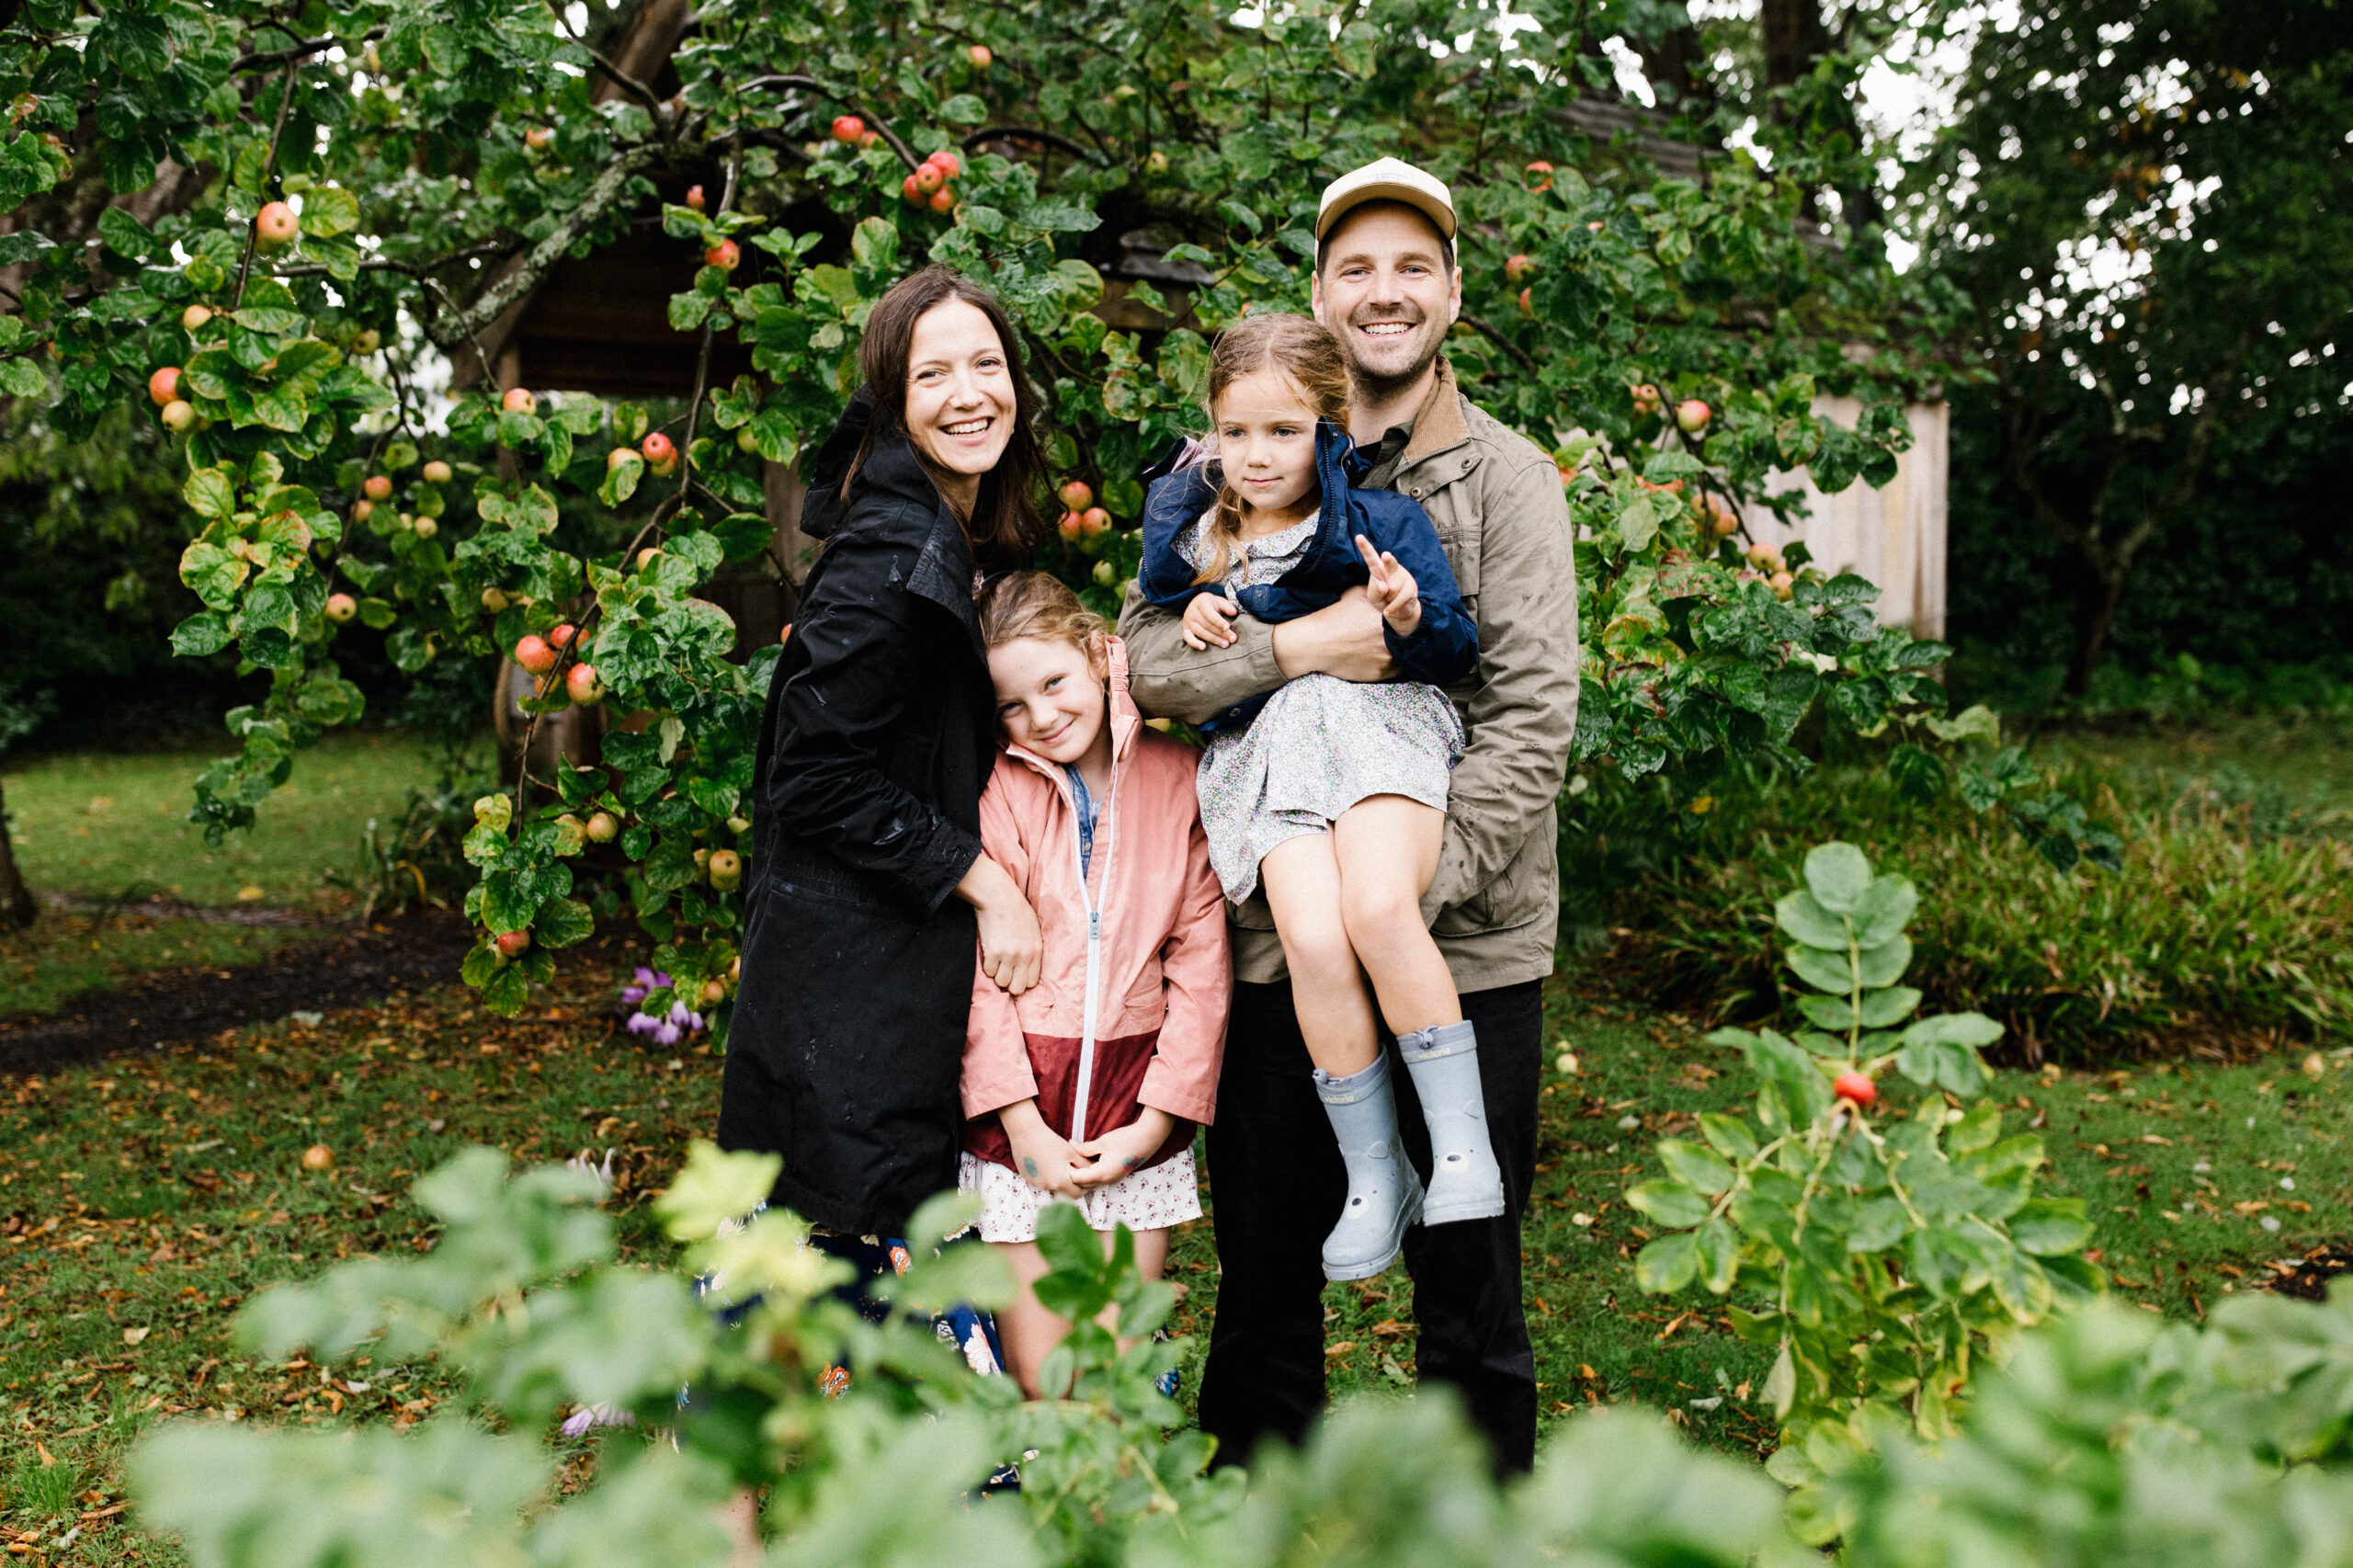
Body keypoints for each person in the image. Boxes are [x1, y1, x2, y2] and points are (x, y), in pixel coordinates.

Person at [1117, 157, 1582, 1474]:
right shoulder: (1235, 461)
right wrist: (1308, 643)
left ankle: (1477, 1520)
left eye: (1413, 267)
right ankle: (1252, 1515)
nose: (1386, 293)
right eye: (1357, 268)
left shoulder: (1507, 481)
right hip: (1278, 935)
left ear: (1452, 292)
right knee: (1264, 1272)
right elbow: (1152, 666)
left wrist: (1392, 894)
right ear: (1320, 294)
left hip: (1462, 940)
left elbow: (1529, 717)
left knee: (1469, 1284)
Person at [1131, 312, 1499, 1284]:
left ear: (1329, 428)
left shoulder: (1379, 523)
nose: (1257, 455)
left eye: (1283, 431)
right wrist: (1194, 607)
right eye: (1237, 431)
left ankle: (1462, 1147)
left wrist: (1410, 616)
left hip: (1372, 731)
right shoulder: (1187, 535)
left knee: (1377, 908)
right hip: (1267, 757)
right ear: (1210, 426)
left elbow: (1457, 648)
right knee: (1312, 938)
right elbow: (1156, 642)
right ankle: (1376, 1171)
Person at [721, 265, 1050, 1269]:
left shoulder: (938, 530)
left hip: (867, 957)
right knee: (846, 1244)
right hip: (848, 967)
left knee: (834, 1238)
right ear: (896, 405)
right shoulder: (888, 557)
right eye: (933, 374)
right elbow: (813, 771)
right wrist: (987, 883)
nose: (968, 394)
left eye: (986, 365)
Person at [957, 571, 1230, 1398]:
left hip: (1131, 1113)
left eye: (1053, 684)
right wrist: (1021, 1126)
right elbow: (976, 976)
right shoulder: (997, 790)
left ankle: (1120, 1523)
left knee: (1116, 1375)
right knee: (1044, 1379)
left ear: (1094, 653)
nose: (1040, 718)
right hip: (1022, 1129)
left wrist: (1153, 1128)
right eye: (1012, 705)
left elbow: (1201, 963)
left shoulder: (1177, 776)